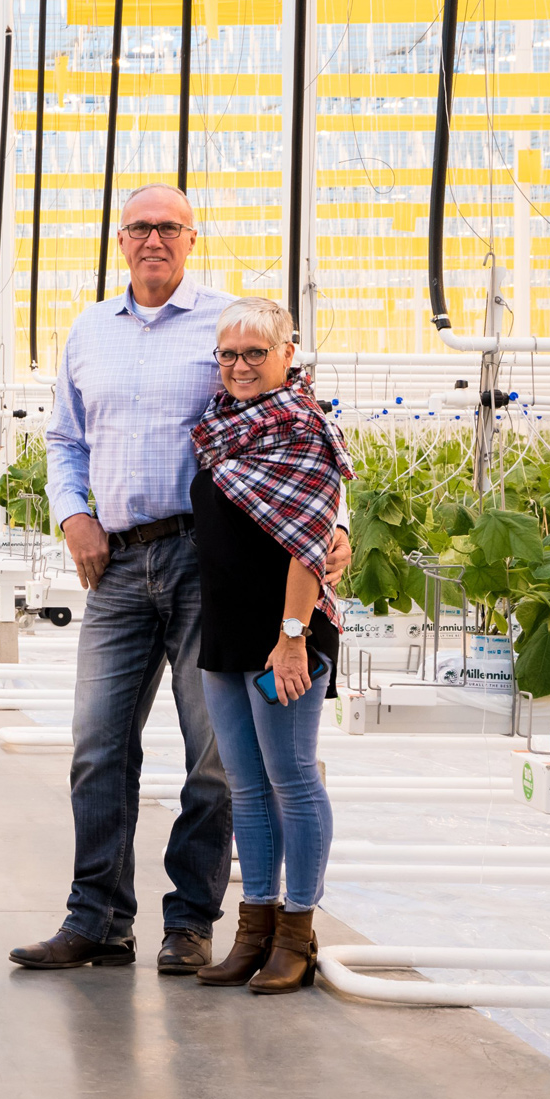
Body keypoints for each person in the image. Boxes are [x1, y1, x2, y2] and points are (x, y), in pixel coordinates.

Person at [9, 184, 350, 976]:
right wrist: (73, 516)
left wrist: (339, 525)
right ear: (119, 240)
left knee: (215, 759)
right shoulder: (91, 329)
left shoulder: (233, 324)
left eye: (168, 227)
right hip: (117, 560)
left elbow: (312, 431)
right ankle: (95, 917)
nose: (152, 239)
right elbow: (64, 438)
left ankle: (192, 921)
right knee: (98, 745)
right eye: (138, 228)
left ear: (193, 238)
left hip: (212, 564)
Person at [189, 299, 349, 993]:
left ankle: (297, 932)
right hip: (225, 624)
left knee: (291, 780)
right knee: (246, 787)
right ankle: (252, 929)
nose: (240, 365)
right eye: (228, 353)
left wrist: (291, 640)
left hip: (286, 626)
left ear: (289, 352)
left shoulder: (305, 428)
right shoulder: (222, 427)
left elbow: (310, 540)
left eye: (256, 352)